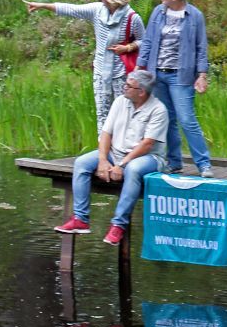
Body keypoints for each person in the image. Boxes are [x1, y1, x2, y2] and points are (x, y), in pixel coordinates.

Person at [55, 68, 168, 245]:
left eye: (129, 86)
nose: (124, 88)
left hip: (148, 158)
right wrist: (102, 160)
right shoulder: (120, 102)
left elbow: (147, 144)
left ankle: (118, 225)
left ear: (142, 92)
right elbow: (106, 133)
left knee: (134, 169)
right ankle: (80, 219)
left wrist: (121, 165)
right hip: (116, 152)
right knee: (82, 163)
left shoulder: (158, 110)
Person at [24, 0, 145, 134]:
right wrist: (43, 6)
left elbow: (144, 41)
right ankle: (103, 153)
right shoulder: (97, 10)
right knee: (102, 114)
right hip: (101, 72)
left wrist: (127, 47)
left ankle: (123, 151)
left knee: (123, 113)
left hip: (122, 74)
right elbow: (71, 9)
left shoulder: (132, 17)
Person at [136, 0, 213, 178]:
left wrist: (202, 75)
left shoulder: (194, 16)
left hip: (182, 75)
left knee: (187, 119)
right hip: (157, 73)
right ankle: (174, 162)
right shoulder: (157, 13)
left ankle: (204, 164)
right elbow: (148, 41)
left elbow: (201, 47)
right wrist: (139, 68)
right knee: (167, 120)